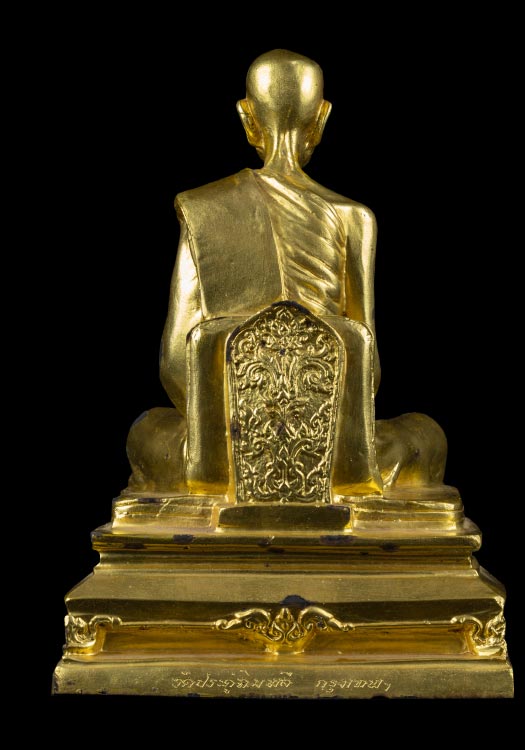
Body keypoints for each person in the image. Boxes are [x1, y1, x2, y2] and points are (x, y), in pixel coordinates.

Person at [126, 49, 447, 501]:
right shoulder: (354, 218)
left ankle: (240, 481)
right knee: (422, 434)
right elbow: (367, 371)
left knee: (148, 430)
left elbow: (176, 365)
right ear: (322, 119)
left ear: (247, 118)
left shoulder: (204, 208)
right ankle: (321, 484)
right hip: (333, 452)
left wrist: (244, 423)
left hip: (222, 451)